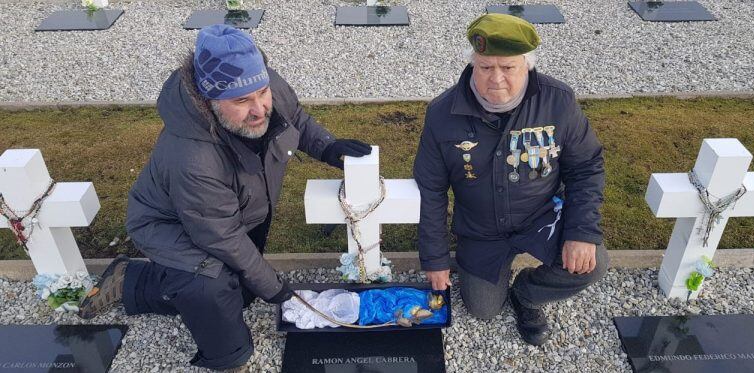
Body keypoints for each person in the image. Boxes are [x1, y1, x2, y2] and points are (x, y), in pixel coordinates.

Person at [77, 24, 371, 372]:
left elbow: (295, 120)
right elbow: (222, 236)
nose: (260, 109)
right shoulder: (193, 157)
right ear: (210, 101)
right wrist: (276, 289)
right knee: (212, 288)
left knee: (241, 289)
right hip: (172, 225)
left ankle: (132, 279)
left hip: (235, 210)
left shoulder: (266, 85)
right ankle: (229, 358)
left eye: (262, 93)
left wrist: (327, 146)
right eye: (241, 101)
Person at [414, 14, 609, 346]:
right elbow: (431, 190)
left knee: (592, 263)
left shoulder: (558, 101)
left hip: (540, 217)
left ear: (527, 66)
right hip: (481, 229)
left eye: (508, 68)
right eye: (486, 67)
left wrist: (580, 233)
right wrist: (435, 260)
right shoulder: (442, 113)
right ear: (472, 63)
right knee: (483, 309)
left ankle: (528, 293)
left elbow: (586, 168)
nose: (496, 79)